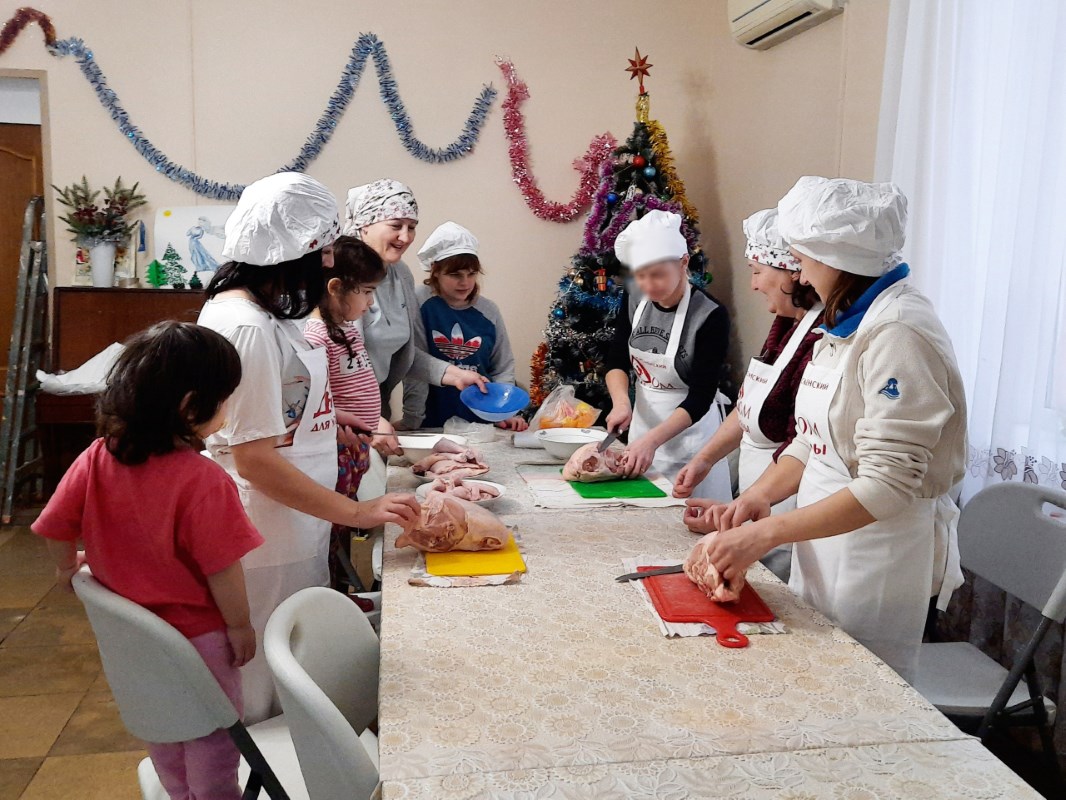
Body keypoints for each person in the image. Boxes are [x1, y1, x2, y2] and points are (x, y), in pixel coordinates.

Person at [685, 177, 966, 682]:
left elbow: (887, 484)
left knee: (860, 690)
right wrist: (761, 497)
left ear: (833, 256)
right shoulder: (842, 322)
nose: (801, 272)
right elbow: (813, 437)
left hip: (873, 553)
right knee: (812, 677)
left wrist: (763, 534)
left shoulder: (897, 332)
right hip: (822, 544)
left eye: (804, 257)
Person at [198, 173, 420, 722]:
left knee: (295, 666)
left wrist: (336, 421)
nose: (327, 266)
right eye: (320, 252)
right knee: (266, 685)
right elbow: (253, 458)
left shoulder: (271, 314)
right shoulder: (247, 326)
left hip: (297, 524)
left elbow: (284, 409)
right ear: (287, 254)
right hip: (266, 535)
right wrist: (357, 509)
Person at [33, 322, 264, 800]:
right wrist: (240, 626)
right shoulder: (203, 481)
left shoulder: (97, 456)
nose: (227, 407)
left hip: (130, 642)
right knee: (213, 741)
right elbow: (222, 568)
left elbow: (55, 525)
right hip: (197, 641)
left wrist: (65, 569)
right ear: (189, 406)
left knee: (160, 728)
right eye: (224, 397)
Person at [675, 208, 824, 580]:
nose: (754, 285)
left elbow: (801, 442)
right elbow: (748, 407)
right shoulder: (785, 327)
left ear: (793, 271)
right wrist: (704, 460)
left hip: (787, 512)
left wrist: (744, 507)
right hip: (758, 506)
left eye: (758, 272)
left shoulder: (819, 338)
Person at [342, 180, 487, 442]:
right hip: (345, 417)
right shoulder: (341, 278)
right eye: (396, 226)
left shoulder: (401, 275)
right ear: (364, 225)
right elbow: (337, 366)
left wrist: (454, 375)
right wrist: (371, 418)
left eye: (412, 227)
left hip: (377, 411)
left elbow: (404, 353)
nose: (406, 237)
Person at [603, 210, 732, 500]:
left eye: (658, 275)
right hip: (641, 436)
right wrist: (622, 403)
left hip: (691, 446)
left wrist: (653, 441)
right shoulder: (635, 297)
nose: (648, 285)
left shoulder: (709, 315)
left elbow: (700, 397)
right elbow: (617, 360)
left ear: (683, 262)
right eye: (640, 275)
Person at [303, 235, 388, 586]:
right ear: (336, 287)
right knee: (332, 529)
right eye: (366, 292)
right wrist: (337, 422)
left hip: (354, 449)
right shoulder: (317, 334)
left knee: (344, 528)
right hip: (335, 452)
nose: (370, 302)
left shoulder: (346, 329)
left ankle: (343, 587)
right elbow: (314, 402)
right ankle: (334, 588)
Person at [401, 221, 529, 431]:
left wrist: (502, 412)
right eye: (455, 275)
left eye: (471, 274)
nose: (465, 282)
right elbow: (414, 363)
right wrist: (412, 418)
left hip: (481, 424)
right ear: (435, 270)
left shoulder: (489, 311)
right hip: (430, 421)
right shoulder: (418, 303)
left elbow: (503, 367)